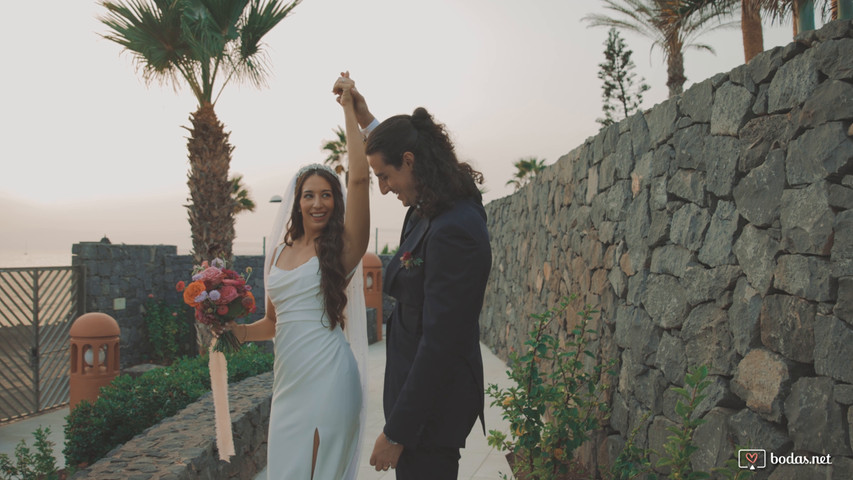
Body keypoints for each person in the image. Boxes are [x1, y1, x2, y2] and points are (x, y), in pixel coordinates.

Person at [333, 75, 492, 479]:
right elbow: (403, 144)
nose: (384, 189)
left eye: (384, 177)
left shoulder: (456, 227)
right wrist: (367, 120)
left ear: (409, 161)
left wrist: (397, 432)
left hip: (431, 418)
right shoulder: (431, 203)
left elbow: (441, 342)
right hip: (418, 407)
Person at [217, 73, 370, 480]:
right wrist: (234, 332)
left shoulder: (341, 250)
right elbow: (272, 323)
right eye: (309, 194)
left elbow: (358, 178)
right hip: (288, 386)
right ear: (296, 202)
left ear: (335, 201)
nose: (317, 202)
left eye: (326, 194)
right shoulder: (278, 253)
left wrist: (350, 112)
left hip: (330, 378)